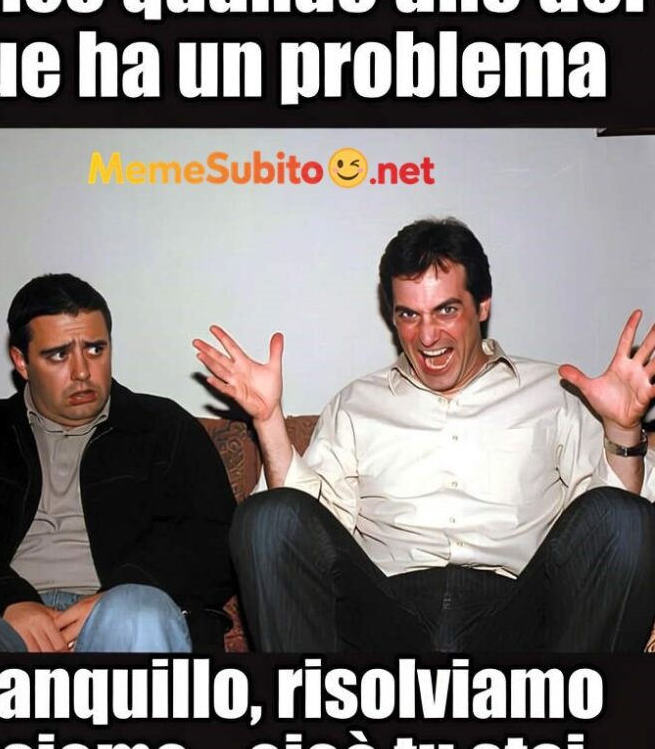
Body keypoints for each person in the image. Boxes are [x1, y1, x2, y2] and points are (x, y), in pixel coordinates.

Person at [194, 218, 655, 653]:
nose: (427, 335)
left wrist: (622, 428)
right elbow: (298, 529)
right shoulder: (356, 404)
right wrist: (268, 420)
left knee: (626, 518)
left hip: (519, 620)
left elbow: (615, 525)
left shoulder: (554, 393)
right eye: (409, 315)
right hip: (384, 622)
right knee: (266, 516)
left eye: (446, 310)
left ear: (483, 305)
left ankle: (580, 708)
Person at [0, 273, 235, 653]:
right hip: (0, 622)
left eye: (95, 349)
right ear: (21, 362)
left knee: (135, 613)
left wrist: (120, 591)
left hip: (119, 618)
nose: (82, 371)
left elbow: (214, 536)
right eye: (58, 355)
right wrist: (6, 597)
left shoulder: (164, 428)